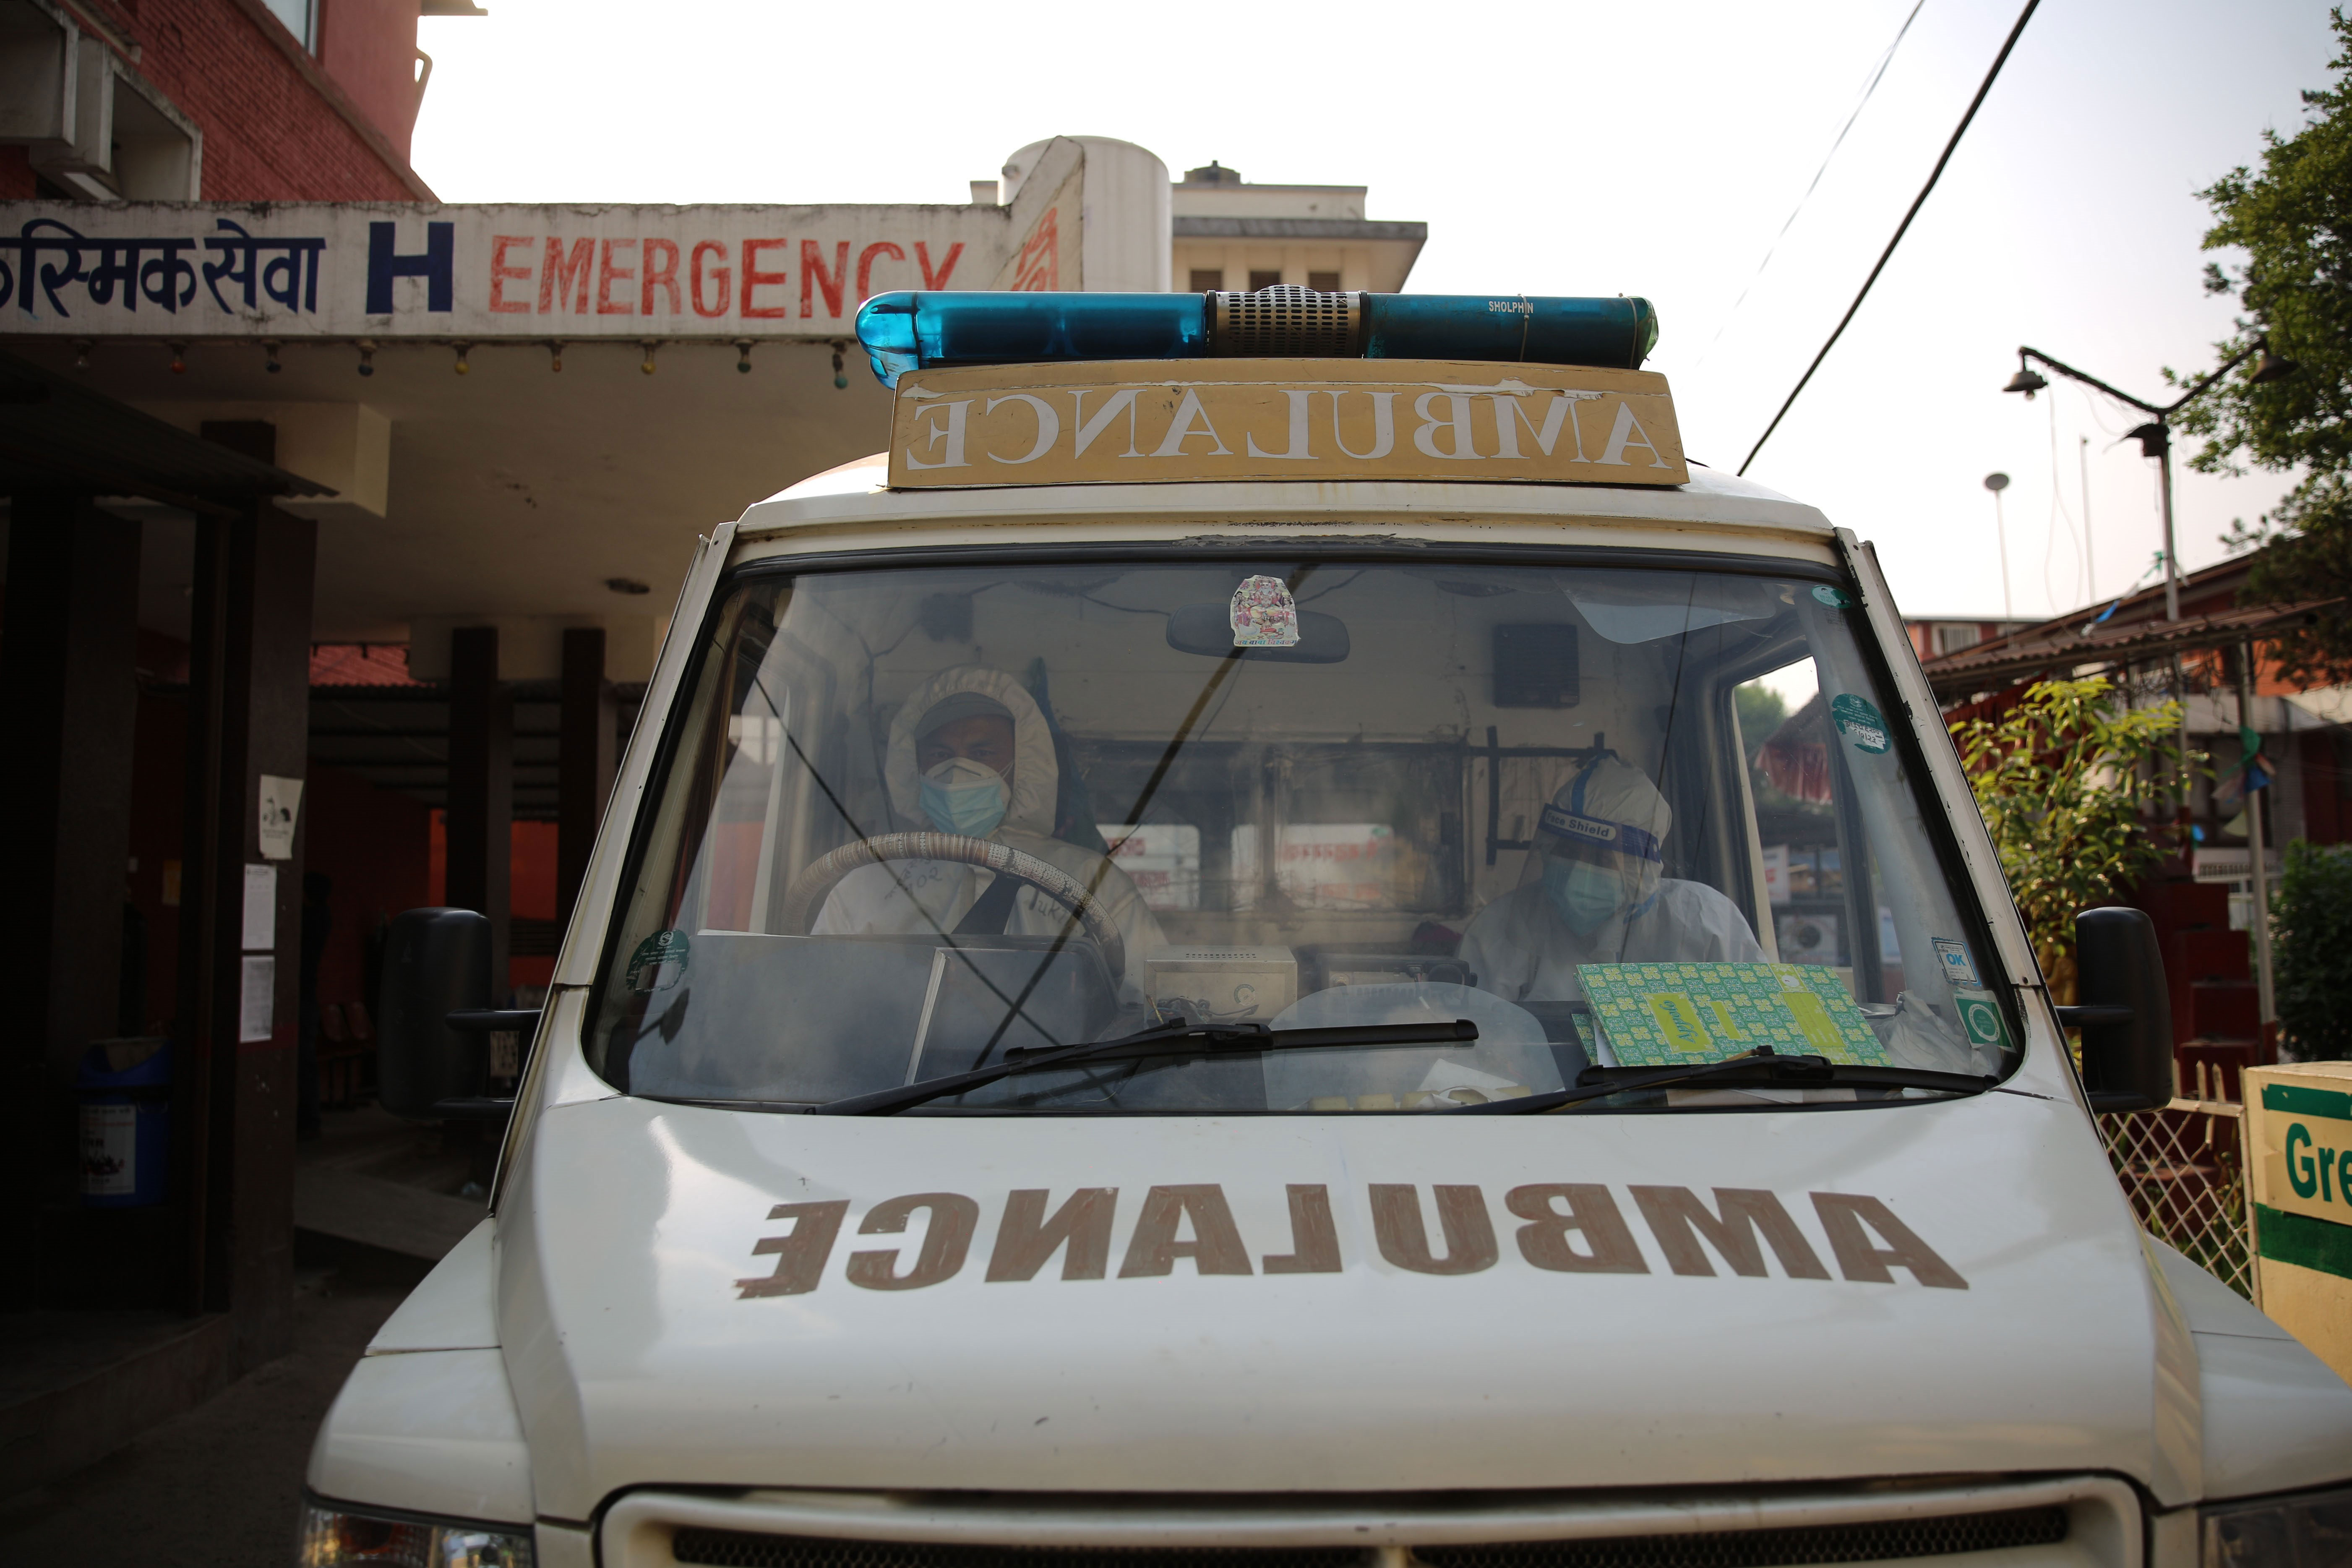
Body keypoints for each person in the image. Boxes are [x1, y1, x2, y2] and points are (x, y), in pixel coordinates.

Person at [815, 666, 1166, 1005]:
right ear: (914, 764)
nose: (958, 769)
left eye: (982, 754)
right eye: (940, 754)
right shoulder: (864, 887)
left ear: (1023, 762)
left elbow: (1155, 1004)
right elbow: (818, 1004)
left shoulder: (1095, 884)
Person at [1458, 752, 1762, 1005]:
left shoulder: (1704, 920)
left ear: (1640, 867)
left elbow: (1760, 1025)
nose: (1577, 872)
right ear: (1548, 849)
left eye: (1601, 858)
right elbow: (1479, 1040)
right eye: (1568, 850)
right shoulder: (1505, 924)